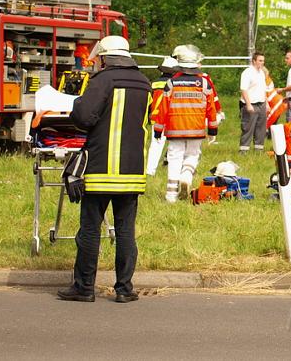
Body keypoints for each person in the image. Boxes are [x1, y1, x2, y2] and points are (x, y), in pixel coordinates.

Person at [58, 36, 151, 303]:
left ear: (105, 58)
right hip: (133, 171)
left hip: (99, 168)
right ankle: (124, 289)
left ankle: (84, 287)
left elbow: (84, 117)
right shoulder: (144, 83)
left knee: (89, 229)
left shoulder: (102, 81)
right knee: (125, 232)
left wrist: (76, 104)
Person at [153, 44, 218, 203]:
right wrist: (213, 130)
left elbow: (163, 109)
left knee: (174, 158)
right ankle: (187, 176)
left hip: (175, 130)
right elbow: (211, 109)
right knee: (193, 155)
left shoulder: (171, 83)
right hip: (196, 129)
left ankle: (170, 196)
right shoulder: (204, 83)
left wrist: (157, 130)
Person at [146, 56, 178, 176]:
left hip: (155, 118)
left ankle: (150, 170)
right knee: (175, 146)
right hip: (170, 118)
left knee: (155, 145)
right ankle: (172, 169)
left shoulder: (153, 83)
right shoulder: (174, 83)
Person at [239, 51, 268, 153]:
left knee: (261, 128)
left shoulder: (262, 73)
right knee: (248, 128)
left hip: (261, 103)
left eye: (263, 61)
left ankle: (258, 149)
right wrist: (248, 104)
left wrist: (266, 103)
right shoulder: (247, 72)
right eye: (260, 61)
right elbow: (243, 89)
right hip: (251, 104)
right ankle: (244, 150)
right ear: (254, 61)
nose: (262, 63)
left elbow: (263, 89)